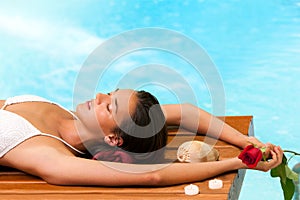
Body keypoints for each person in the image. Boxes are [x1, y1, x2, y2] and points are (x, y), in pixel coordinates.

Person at [0, 89, 282, 186]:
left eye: (109, 106)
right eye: (110, 95)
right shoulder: (71, 118)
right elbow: (185, 112)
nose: (98, 97)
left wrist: (237, 163)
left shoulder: (49, 155)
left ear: (113, 139)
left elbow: (152, 176)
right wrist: (243, 140)